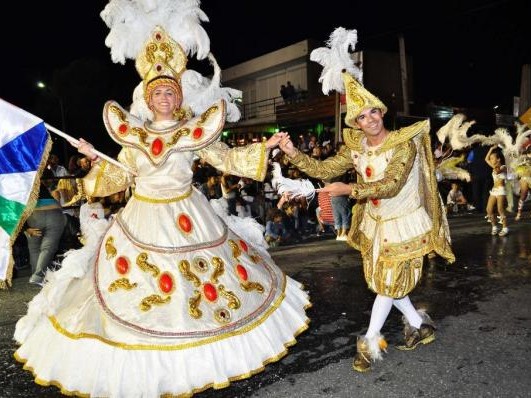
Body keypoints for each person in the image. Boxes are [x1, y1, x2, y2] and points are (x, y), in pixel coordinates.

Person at [14, 24, 310, 398]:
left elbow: (226, 158)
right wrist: (91, 159)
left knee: (203, 291)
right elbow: (117, 177)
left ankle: (202, 358)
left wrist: (265, 148)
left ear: (178, 96)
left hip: (191, 216)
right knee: (140, 294)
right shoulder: (133, 136)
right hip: (142, 218)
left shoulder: (193, 132)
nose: (165, 97)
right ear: (148, 99)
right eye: (158, 93)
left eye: (171, 91)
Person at [278, 27, 454, 373]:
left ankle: (370, 341)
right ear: (355, 122)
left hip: (404, 222)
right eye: (362, 116)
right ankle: (419, 326)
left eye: (373, 112)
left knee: (386, 283)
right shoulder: (356, 147)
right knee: (384, 282)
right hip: (376, 224)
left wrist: (350, 191)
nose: (369, 119)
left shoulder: (402, 144)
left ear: (381, 112)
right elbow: (324, 168)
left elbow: (390, 185)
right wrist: (293, 152)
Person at [23, 168, 66, 286]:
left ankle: (36, 276)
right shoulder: (33, 179)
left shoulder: (16, 182)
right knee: (47, 248)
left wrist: (26, 228)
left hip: (34, 215)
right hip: (55, 212)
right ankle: (37, 276)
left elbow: (13, 211)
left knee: (34, 248)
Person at [485, 145, 509, 236]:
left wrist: (495, 167)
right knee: (489, 209)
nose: (490, 160)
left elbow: (498, 171)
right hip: (494, 191)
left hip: (501, 190)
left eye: (492, 158)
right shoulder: (494, 166)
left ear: (498, 159)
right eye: (490, 158)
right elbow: (486, 159)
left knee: (500, 209)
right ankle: (494, 226)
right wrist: (491, 149)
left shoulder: (503, 167)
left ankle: (505, 228)